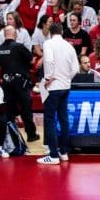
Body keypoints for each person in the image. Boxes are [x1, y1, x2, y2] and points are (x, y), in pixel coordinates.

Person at [39, 22, 79, 165]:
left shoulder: (48, 44)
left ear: (50, 32)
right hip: (65, 86)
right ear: (62, 32)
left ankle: (53, 154)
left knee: (49, 119)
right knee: (63, 118)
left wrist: (49, 77)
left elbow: (49, 60)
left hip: (53, 86)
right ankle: (64, 152)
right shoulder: (69, 46)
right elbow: (76, 68)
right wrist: (67, 78)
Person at [0, 25, 39, 143]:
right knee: (25, 110)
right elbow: (30, 59)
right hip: (20, 83)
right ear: (15, 34)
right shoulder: (19, 47)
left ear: (4, 35)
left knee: (9, 111)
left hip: (6, 83)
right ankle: (31, 135)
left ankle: (12, 137)